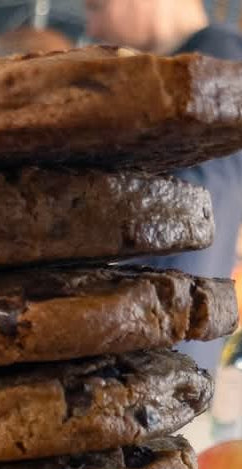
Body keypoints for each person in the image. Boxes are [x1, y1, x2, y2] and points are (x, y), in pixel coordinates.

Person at [85, 0, 242, 374]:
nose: (92, 28)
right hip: (174, 355)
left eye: (95, 7)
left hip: (152, 352)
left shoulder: (212, 67)